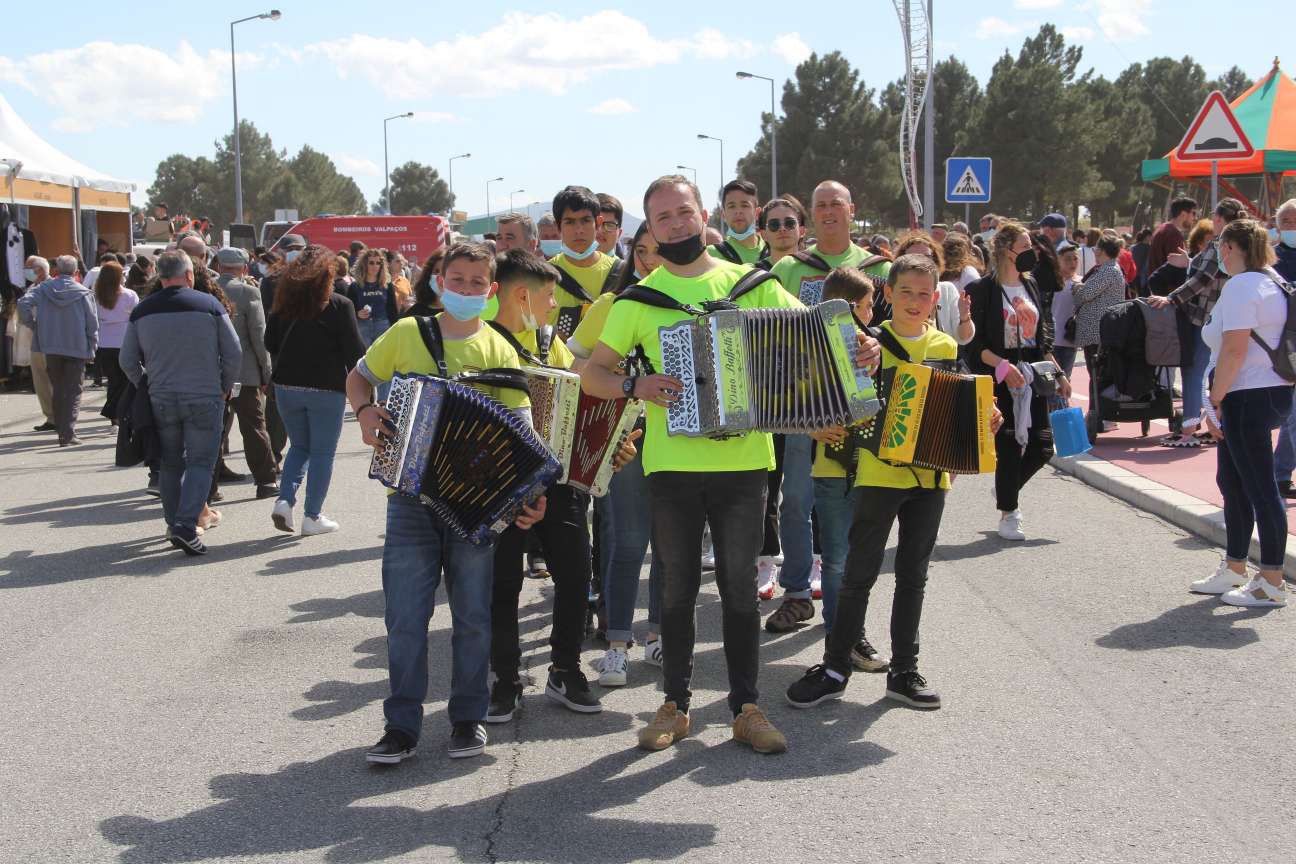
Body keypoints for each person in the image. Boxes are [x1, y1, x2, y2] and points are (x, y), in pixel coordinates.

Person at [582, 174, 881, 754]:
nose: (675, 224)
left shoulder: (751, 284)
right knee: (676, 590)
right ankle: (675, 703)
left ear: (703, 215)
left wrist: (861, 345)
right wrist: (634, 383)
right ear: (651, 227)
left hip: (746, 463)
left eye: (683, 212)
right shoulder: (636, 301)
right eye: (663, 217)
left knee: (742, 590)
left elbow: (818, 335)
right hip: (670, 465)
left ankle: (746, 708)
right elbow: (594, 374)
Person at [345, 241, 543, 765]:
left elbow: (520, 428)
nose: (467, 291)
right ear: (438, 282)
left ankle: (468, 719)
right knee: (405, 617)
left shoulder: (500, 348)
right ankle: (401, 726)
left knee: (473, 615)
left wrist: (529, 492)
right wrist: (365, 412)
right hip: (409, 496)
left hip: (475, 504)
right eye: (457, 281)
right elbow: (359, 376)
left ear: (492, 290)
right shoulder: (409, 332)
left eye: (478, 284)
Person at [787, 254, 1003, 711]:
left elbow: (956, 402)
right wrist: (817, 426)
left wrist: (986, 416)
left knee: (913, 575)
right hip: (878, 474)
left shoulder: (945, 345)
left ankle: (904, 670)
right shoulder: (869, 344)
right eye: (905, 292)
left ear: (934, 298)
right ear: (887, 294)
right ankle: (834, 667)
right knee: (857, 576)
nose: (915, 301)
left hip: (932, 477)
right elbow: (823, 393)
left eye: (925, 294)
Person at [486, 248, 615, 721]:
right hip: (502, 487)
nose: (554, 308)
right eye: (549, 298)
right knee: (503, 581)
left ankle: (565, 668)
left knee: (576, 572)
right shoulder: (484, 343)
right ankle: (504, 678)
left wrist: (609, 445)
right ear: (522, 294)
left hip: (560, 484)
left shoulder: (548, 342)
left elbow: (576, 399)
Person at [764, 180, 890, 630]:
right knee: (796, 499)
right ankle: (797, 592)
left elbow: (894, 333)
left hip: (861, 408)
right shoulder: (788, 270)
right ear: (810, 216)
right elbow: (773, 340)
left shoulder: (877, 268)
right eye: (821, 205)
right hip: (804, 405)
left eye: (837, 203)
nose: (829, 211)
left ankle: (849, 601)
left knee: (857, 503)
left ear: (851, 209)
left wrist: (874, 347)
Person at [570, 223, 665, 683]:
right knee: (628, 543)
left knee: (670, 545)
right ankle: (617, 645)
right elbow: (576, 368)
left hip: (682, 442)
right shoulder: (613, 304)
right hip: (625, 441)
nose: (649, 260)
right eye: (641, 251)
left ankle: (660, 636)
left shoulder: (695, 304)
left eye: (659, 251)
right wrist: (619, 387)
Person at [1189, 220, 1292, 608]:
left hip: (1245, 394)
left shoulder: (1242, 286)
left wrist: (1215, 398)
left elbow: (1233, 350)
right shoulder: (1273, 282)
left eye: (1220, 246)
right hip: (1269, 390)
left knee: (1260, 488)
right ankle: (1235, 567)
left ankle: (1271, 581)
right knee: (1233, 480)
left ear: (1231, 247)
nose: (1218, 254)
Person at [119, 251, 241, 556]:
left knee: (170, 462)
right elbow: (233, 352)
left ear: (160, 277)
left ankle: (174, 523)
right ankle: (187, 525)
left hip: (161, 397)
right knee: (201, 462)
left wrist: (145, 383)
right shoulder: (210, 305)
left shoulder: (142, 310)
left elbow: (126, 360)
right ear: (189, 275)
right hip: (204, 395)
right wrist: (224, 386)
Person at [801, 266, 887, 670]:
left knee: (858, 558)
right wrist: (810, 424)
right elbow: (787, 398)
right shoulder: (806, 347)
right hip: (831, 465)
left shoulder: (875, 344)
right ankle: (842, 636)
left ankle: (852, 634)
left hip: (870, 464)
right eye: (869, 306)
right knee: (837, 558)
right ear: (851, 307)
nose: (873, 313)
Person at [966, 221, 1071, 541]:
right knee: (1009, 446)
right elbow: (973, 344)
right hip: (1000, 377)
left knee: (1042, 447)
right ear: (1005, 251)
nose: (1031, 254)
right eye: (1024, 248)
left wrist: (1059, 373)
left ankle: (1006, 489)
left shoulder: (1032, 286)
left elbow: (1043, 338)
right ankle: (1009, 512)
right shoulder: (982, 290)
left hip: (1033, 375)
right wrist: (1002, 367)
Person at [263, 246, 365, 536]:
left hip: (286, 386)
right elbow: (354, 353)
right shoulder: (339, 305)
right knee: (322, 453)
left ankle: (284, 500)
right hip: (326, 389)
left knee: (299, 446)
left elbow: (271, 342)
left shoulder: (282, 305)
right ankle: (312, 515)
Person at [1146, 197, 1247, 448]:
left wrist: (1171, 298)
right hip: (1218, 316)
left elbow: (1203, 278)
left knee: (1196, 372)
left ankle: (1190, 429)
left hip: (1203, 317)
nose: (1211, 221)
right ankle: (1208, 424)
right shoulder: (1239, 244)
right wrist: (1189, 262)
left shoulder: (1221, 244)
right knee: (1206, 371)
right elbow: (1211, 274)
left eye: (1215, 217)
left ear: (1221, 219)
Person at [213, 248, 278, 499]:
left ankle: (212, 484)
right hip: (245, 371)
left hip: (213, 371)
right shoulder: (248, 291)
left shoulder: (204, 288)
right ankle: (266, 481)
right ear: (244, 268)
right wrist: (267, 370)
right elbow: (259, 335)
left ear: (219, 266)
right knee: (253, 427)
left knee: (214, 428)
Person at [17, 255, 98, 446]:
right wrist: (92, 348)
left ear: (56, 271)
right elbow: (92, 324)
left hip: (50, 345)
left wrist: (34, 325)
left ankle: (61, 429)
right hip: (76, 347)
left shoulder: (43, 289)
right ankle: (67, 432)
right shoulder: (84, 293)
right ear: (76, 272)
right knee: (73, 391)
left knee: (58, 388)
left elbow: (23, 303)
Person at [547, 186, 623, 338]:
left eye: (585, 220)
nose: (579, 230)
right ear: (558, 226)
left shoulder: (621, 273)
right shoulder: (543, 275)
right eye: (569, 222)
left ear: (598, 223)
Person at [1071, 234, 1129, 431]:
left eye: (1097, 249)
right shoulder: (1112, 269)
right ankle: (1101, 416)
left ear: (1103, 251)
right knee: (1099, 375)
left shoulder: (1107, 271)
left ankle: (1100, 417)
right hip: (1100, 331)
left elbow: (1085, 294)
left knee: (1097, 375)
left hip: (1097, 333)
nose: (1094, 252)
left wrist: (1077, 287)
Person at [893, 231, 973, 345]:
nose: (919, 263)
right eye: (912, 258)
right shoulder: (895, 292)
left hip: (942, 360)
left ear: (935, 261)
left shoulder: (947, 290)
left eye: (926, 257)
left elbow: (964, 338)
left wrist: (965, 317)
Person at [92, 260, 138, 422]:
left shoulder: (97, 296)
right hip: (125, 341)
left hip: (104, 342)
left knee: (112, 380)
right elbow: (135, 316)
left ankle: (114, 415)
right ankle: (120, 411)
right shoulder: (129, 295)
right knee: (126, 380)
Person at [21, 256, 56, 432]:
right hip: (36, 340)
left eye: (29, 268)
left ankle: (61, 417)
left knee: (54, 380)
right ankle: (51, 417)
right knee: (41, 381)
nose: (25, 271)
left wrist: (34, 324)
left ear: (40, 270)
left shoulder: (53, 287)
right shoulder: (32, 287)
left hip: (52, 340)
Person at [708, 180, 769, 267]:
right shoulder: (710, 256)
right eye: (732, 206)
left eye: (745, 205)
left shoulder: (773, 251)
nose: (738, 212)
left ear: (757, 213)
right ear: (723, 214)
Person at [348, 248, 398, 347]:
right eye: (371, 263)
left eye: (378, 263)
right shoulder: (355, 286)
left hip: (383, 326)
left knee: (383, 358)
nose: (375, 266)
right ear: (364, 264)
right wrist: (358, 313)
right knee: (364, 358)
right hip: (363, 326)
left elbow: (393, 311)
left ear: (381, 265)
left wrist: (395, 330)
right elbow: (348, 311)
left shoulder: (387, 285)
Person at [1048, 241, 1082, 378]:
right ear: (1058, 260)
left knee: (1065, 380)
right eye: (1067, 259)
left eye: (1075, 258)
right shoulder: (1051, 283)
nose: (1072, 263)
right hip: (1051, 342)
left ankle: (1062, 400)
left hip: (1070, 341)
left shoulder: (1081, 283)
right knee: (1050, 384)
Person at [1147, 196, 1199, 275]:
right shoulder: (1173, 234)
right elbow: (1176, 269)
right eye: (1193, 213)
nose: (1195, 218)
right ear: (1183, 214)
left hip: (1157, 283)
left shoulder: (1163, 229)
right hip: (1166, 286)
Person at [758, 196, 808, 266]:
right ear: (763, 234)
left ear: (802, 231)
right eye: (774, 224)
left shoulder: (815, 270)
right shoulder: (753, 274)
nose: (782, 229)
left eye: (789, 223)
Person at [595, 193, 624, 258]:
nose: (600, 230)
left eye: (609, 225)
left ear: (619, 234)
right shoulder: (567, 266)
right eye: (596, 223)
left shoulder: (625, 268)